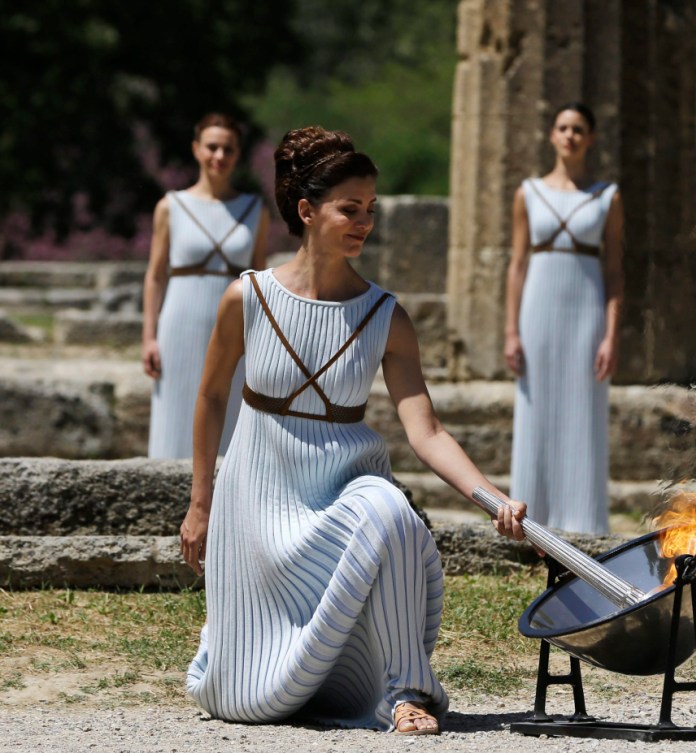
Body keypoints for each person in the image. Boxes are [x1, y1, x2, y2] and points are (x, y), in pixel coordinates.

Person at [179, 126, 527, 734]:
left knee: (390, 511)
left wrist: (491, 498)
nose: (364, 222)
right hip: (257, 495)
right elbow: (210, 399)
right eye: (350, 209)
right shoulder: (248, 297)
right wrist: (200, 504)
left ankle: (405, 692)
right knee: (245, 703)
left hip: (343, 488)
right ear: (308, 211)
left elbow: (427, 431)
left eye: (371, 209)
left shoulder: (386, 315)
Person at [503, 103, 624, 534]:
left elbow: (614, 271)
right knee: (535, 409)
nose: (570, 135)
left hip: (586, 310)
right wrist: (511, 330)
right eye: (563, 128)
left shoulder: (607, 196)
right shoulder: (529, 192)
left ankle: (584, 523)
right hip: (538, 308)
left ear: (590, 138)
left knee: (584, 411)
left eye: (578, 129)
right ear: (552, 136)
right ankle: (531, 520)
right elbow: (517, 264)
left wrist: (611, 335)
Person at [143, 113, 269, 458]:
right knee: (175, 415)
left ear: (237, 154)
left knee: (229, 417)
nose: (219, 156)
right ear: (197, 150)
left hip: (233, 326)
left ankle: (222, 505)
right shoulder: (171, 206)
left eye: (227, 149)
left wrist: (262, 338)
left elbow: (260, 277)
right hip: (179, 324)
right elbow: (156, 275)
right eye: (212, 147)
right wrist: (149, 337)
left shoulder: (254, 209)